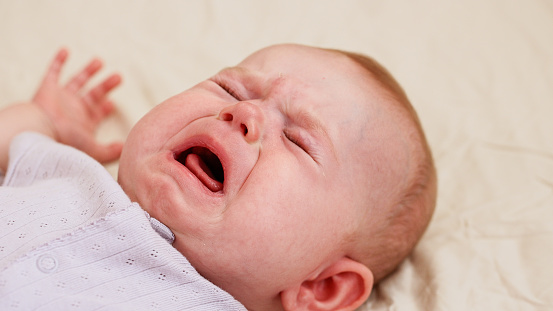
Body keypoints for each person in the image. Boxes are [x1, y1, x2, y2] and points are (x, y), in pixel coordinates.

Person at [0, 44, 436, 310]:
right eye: (231, 89)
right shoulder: (73, 174)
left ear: (321, 287)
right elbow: (16, 142)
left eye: (298, 140)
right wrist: (45, 119)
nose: (244, 112)